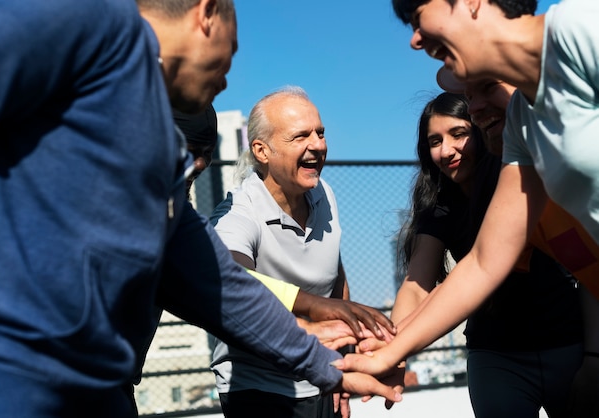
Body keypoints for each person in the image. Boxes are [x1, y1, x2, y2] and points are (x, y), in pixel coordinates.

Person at [0, 1, 401, 416]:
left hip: (102, 391)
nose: (227, 81)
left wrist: (325, 366)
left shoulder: (160, 155)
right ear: (207, 12)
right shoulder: (90, 20)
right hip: (6, 382)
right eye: (229, 57)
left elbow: (219, 285)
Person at [337, 0, 599, 409]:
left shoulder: (580, 29)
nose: (414, 38)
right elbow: (483, 262)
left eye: (417, 14)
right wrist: (389, 351)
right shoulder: (522, 125)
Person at [391, 92, 583, 417]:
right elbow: (415, 284)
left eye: (458, 134)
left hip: (564, 342)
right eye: (434, 141)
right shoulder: (439, 208)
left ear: (480, 129)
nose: (446, 150)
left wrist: (592, 355)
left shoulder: (520, 180)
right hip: (496, 355)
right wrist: (394, 352)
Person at [210, 86, 357, 418]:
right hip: (259, 389)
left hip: (322, 375)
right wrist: (307, 312)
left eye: (320, 133)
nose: (318, 145)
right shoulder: (237, 213)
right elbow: (233, 279)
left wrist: (344, 366)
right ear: (262, 151)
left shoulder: (325, 194)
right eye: (301, 136)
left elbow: (337, 278)